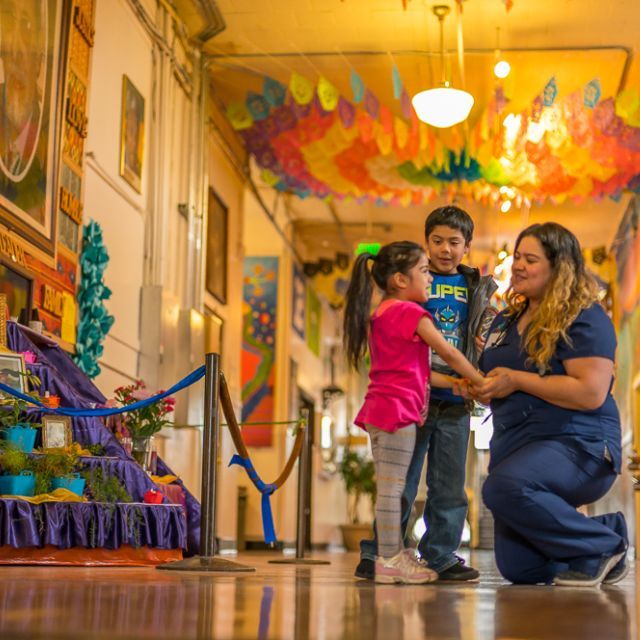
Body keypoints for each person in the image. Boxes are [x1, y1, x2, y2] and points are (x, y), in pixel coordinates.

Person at [472, 222, 628, 587]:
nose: (518, 266)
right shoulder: (506, 320)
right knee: (521, 569)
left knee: (501, 487)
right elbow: (494, 373)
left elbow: (590, 393)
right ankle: (602, 533)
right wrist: (478, 387)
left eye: (530, 259)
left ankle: (603, 545)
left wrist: (515, 379)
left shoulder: (585, 317)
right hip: (517, 445)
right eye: (516, 257)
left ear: (559, 269)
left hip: (579, 444)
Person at [357, 206, 496, 581]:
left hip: (454, 396)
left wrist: (477, 361)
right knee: (399, 481)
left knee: (449, 485)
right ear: (426, 243)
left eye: (454, 242)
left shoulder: (475, 286)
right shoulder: (413, 280)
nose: (445, 249)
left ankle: (441, 555)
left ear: (467, 246)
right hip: (415, 397)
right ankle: (381, 552)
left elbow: (468, 341)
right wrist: (479, 381)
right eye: (437, 241)